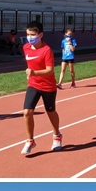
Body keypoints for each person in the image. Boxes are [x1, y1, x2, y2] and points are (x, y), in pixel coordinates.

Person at [21, 21, 63, 155]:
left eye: (32, 34)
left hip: (48, 86)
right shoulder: (26, 48)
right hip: (33, 84)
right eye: (28, 34)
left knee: (50, 112)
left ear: (40, 35)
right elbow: (30, 64)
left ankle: (57, 135)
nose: (30, 37)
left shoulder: (46, 50)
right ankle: (30, 140)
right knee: (27, 112)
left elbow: (50, 70)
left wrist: (34, 73)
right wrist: (30, 76)